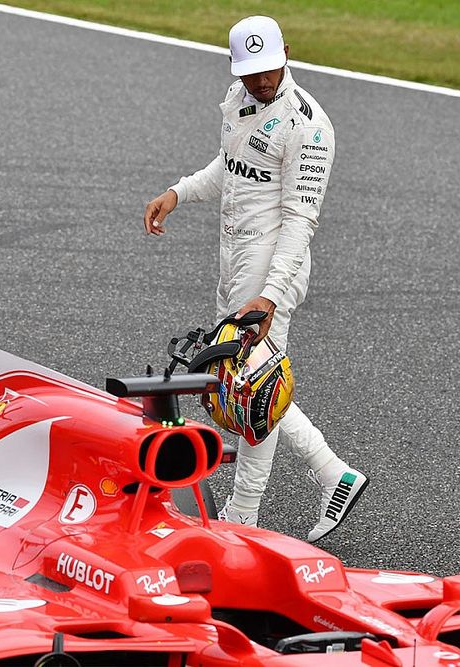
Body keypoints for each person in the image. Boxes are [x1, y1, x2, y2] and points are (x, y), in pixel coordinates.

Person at [142, 15, 368, 542]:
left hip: (271, 266)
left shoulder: (308, 125)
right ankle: (334, 473)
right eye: (251, 73)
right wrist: (178, 193)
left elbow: (300, 220)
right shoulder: (239, 99)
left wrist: (270, 294)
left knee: (253, 389)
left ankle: (242, 519)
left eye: (268, 70)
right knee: (249, 384)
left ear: (286, 53)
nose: (261, 82)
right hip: (234, 257)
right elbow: (230, 167)